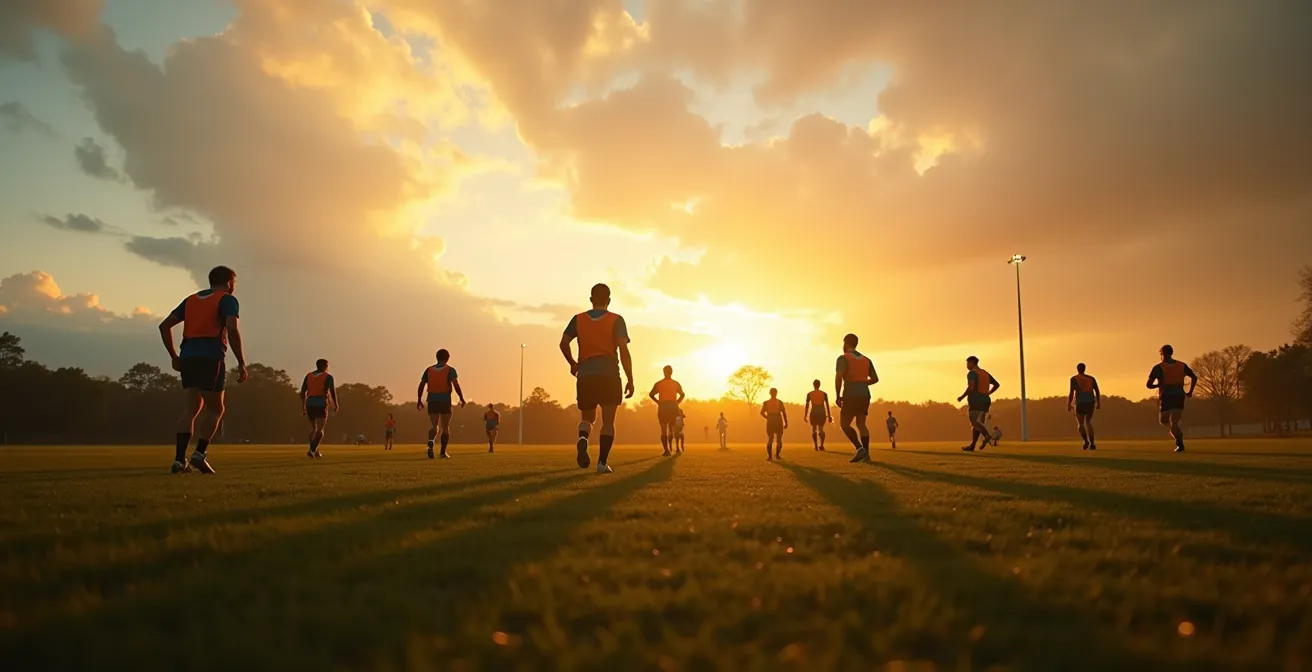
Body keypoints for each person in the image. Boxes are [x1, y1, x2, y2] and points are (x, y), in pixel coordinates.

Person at [157, 265, 247, 474]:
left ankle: (180, 461)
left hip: (188, 356)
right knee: (216, 409)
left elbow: (164, 326)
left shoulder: (191, 300)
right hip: (211, 357)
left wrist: (174, 356)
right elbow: (232, 329)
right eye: (234, 283)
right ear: (229, 283)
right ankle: (199, 454)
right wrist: (241, 361)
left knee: (191, 409)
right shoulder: (227, 300)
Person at [560, 283, 634, 474]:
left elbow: (563, 343)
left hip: (586, 374)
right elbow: (624, 351)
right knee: (607, 421)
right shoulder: (616, 320)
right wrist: (630, 379)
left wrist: (572, 363)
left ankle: (583, 438)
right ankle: (602, 462)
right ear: (608, 301)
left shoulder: (578, 319)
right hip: (609, 373)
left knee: (587, 417)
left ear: (591, 300)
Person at [835, 333, 880, 463]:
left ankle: (859, 448)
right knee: (861, 424)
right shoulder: (866, 359)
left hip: (851, 394)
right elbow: (875, 379)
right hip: (864, 394)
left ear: (845, 343)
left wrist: (838, 395)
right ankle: (866, 454)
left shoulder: (843, 358)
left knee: (844, 425)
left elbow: (839, 377)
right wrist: (862, 383)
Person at [416, 349, 465, 459]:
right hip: (445, 400)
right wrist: (461, 398)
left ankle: (430, 442)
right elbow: (456, 385)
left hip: (432, 400)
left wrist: (419, 400)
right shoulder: (450, 370)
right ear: (448, 358)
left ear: (437, 357)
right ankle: (443, 452)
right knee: (445, 426)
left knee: (434, 426)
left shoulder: (429, 370)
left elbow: (421, 385)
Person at [1147, 344, 1197, 452]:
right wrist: (1190, 392)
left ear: (1162, 354)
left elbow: (1148, 385)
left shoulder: (1158, 367)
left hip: (1166, 397)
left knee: (1163, 421)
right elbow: (1194, 377)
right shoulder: (1181, 365)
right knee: (1174, 422)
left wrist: (1159, 385)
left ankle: (1179, 440)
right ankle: (1177, 434)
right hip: (1179, 396)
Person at [958, 356, 1000, 452]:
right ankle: (972, 446)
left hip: (976, 401)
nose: (967, 366)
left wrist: (962, 397)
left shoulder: (972, 373)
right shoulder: (985, 373)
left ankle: (987, 436)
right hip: (985, 401)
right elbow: (996, 384)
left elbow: (971, 387)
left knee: (974, 422)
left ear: (972, 363)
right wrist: (988, 393)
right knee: (978, 425)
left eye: (968, 363)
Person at [300, 359, 338, 458]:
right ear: (325, 366)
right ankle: (312, 450)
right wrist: (335, 404)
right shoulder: (328, 376)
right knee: (320, 430)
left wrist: (303, 406)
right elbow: (332, 391)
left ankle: (314, 451)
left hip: (310, 403)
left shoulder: (309, 376)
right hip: (321, 402)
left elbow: (303, 391)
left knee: (313, 429)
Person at [649, 365, 686, 456]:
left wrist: (658, 402)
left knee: (664, 430)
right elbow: (682, 394)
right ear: (671, 372)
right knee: (675, 429)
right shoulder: (676, 383)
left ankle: (666, 450)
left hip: (663, 407)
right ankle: (677, 448)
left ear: (664, 372)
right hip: (673, 406)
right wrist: (677, 402)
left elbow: (651, 394)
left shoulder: (659, 384)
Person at [1068, 363, 1102, 450]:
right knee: (1088, 422)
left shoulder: (1074, 379)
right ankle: (1092, 443)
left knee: (1080, 423)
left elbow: (1072, 392)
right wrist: (1098, 402)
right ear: (1084, 369)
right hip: (1090, 402)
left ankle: (1086, 441)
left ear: (1077, 369)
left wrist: (1069, 404)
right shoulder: (1091, 378)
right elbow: (1097, 391)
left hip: (1080, 402)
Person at [803, 379, 831, 451]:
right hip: (822, 412)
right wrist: (829, 415)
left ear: (813, 385)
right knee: (821, 429)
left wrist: (805, 415)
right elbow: (827, 405)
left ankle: (816, 446)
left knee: (814, 429)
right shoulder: (824, 394)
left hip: (814, 412)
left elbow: (807, 405)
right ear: (819, 385)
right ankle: (821, 445)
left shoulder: (809, 394)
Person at [760, 388, 788, 460]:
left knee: (770, 439)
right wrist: (786, 422)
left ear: (770, 393)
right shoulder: (779, 402)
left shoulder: (766, 402)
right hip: (778, 420)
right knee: (779, 439)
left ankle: (770, 456)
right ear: (776, 393)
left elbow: (761, 412)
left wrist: (767, 417)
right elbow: (784, 413)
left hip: (770, 420)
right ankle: (777, 455)